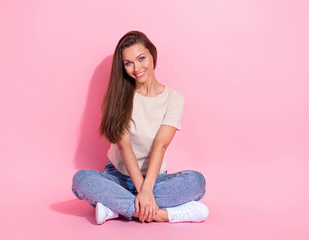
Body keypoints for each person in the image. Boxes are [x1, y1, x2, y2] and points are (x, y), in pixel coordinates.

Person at [71, 30, 209, 224]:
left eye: (141, 58)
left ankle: (117, 209)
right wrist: (142, 193)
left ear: (153, 55)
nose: (136, 68)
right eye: (128, 63)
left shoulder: (173, 98)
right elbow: (125, 147)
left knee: (196, 182)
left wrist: (146, 190)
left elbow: (161, 145)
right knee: (82, 179)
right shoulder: (119, 97)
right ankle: (163, 214)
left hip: (156, 180)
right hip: (118, 178)